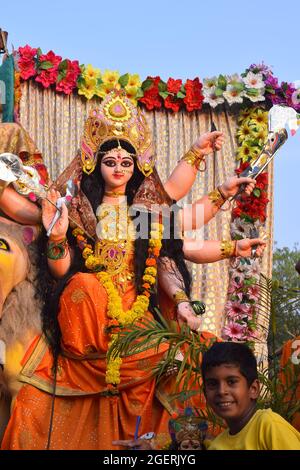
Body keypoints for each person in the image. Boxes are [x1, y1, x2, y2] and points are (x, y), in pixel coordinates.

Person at [0, 90, 264, 450]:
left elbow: (183, 230)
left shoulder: (145, 211)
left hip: (139, 319)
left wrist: (223, 213)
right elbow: (60, 270)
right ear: (95, 164)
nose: (120, 170)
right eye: (111, 162)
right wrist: (58, 237)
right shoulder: (79, 210)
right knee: (83, 285)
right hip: (89, 324)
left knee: (182, 358)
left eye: (127, 162)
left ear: (137, 165)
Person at [201, 342, 300, 450]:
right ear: (205, 393)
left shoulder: (269, 426)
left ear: (253, 389)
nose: (221, 391)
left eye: (231, 382)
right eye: (212, 384)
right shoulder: (216, 446)